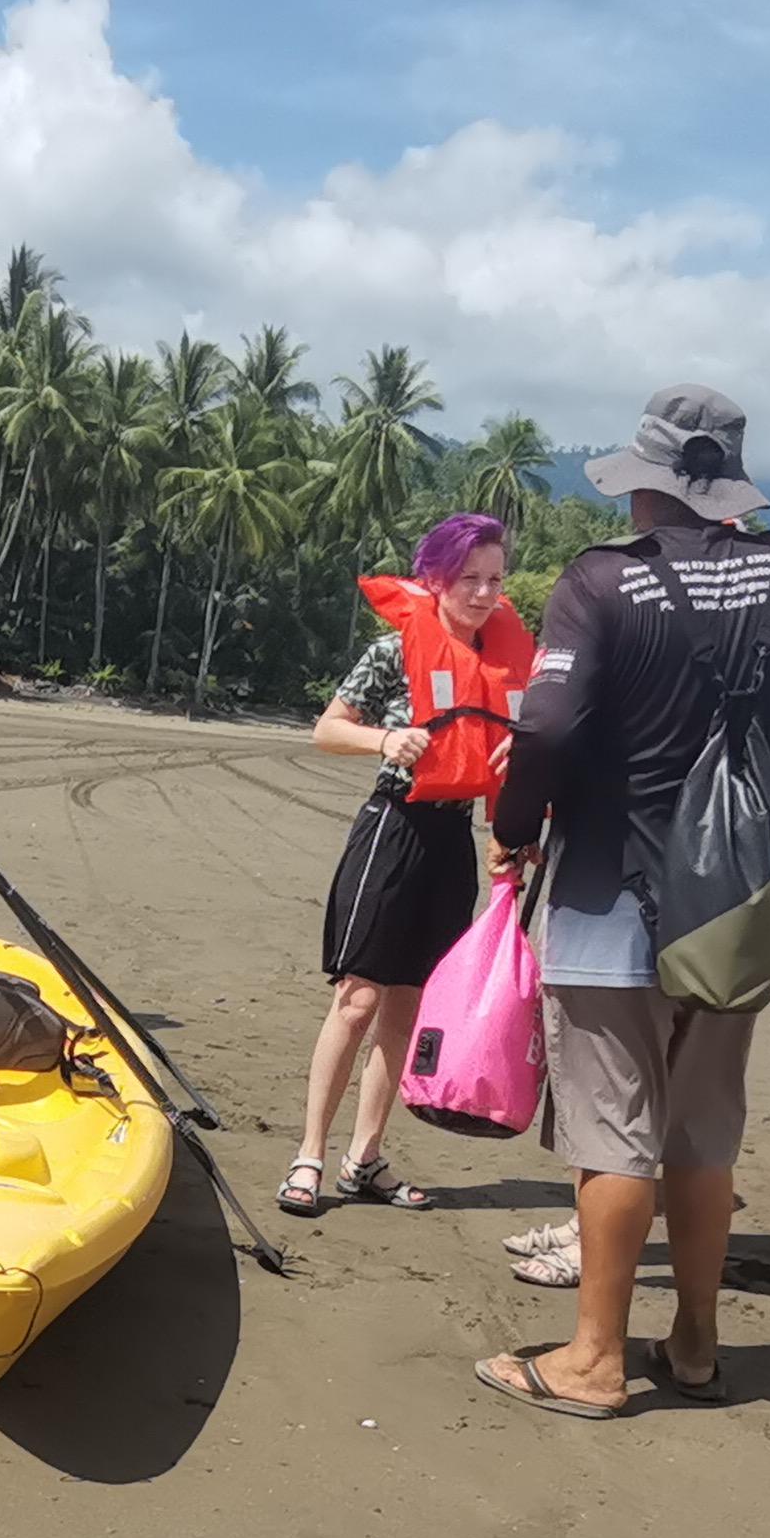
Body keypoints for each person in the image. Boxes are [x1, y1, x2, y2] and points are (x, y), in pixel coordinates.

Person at [475, 383, 770, 1418]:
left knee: (613, 1132)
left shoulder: (602, 583)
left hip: (610, 891)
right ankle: (694, 1344)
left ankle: (595, 1360)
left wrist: (514, 828)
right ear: (728, 486)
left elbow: (548, 728)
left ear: (648, 487)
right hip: (737, 905)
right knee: (703, 1133)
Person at [279, 512, 530, 1215]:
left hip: (453, 842)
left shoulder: (509, 664)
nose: (482, 594)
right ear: (435, 580)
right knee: (356, 998)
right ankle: (309, 1156)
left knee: (408, 1009)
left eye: (494, 580)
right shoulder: (393, 651)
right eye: (467, 579)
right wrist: (385, 739)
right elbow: (326, 729)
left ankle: (365, 1158)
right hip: (391, 829)